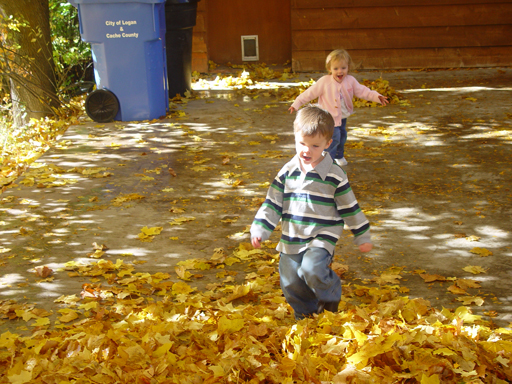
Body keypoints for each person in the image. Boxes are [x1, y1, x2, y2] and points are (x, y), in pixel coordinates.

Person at [251, 105, 373, 320]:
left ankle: (331, 296)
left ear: (328, 144)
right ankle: (306, 314)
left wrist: (361, 234)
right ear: (295, 138)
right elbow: (273, 202)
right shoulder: (287, 171)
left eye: (315, 145)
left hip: (322, 234)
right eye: (301, 144)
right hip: (292, 234)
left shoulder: (335, 175)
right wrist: (260, 227)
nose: (306, 150)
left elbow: (349, 206)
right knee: (290, 280)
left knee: (312, 269)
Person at [288, 49, 389, 166]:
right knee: (333, 139)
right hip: (328, 118)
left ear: (348, 67)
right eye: (336, 68)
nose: (340, 71)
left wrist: (377, 97)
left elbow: (363, 91)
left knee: (342, 137)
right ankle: (326, 161)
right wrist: (297, 103)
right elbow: (309, 93)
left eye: (343, 68)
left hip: (343, 116)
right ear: (329, 69)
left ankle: (339, 155)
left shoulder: (350, 81)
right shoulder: (324, 82)